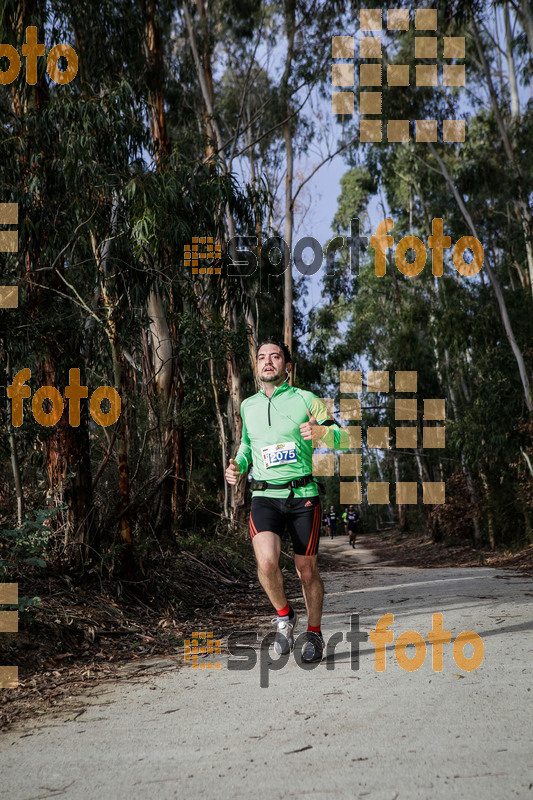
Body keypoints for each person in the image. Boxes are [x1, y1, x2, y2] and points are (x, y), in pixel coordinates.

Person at [225, 338, 347, 663]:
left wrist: (323, 433)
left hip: (303, 495)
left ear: (286, 366)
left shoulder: (307, 399)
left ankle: (316, 633)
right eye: (262, 357)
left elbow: (344, 436)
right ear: (257, 366)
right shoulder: (248, 405)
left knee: (306, 570)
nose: (267, 362)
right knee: (266, 562)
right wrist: (238, 464)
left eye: (275, 357)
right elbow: (248, 444)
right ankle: (284, 616)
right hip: (264, 494)